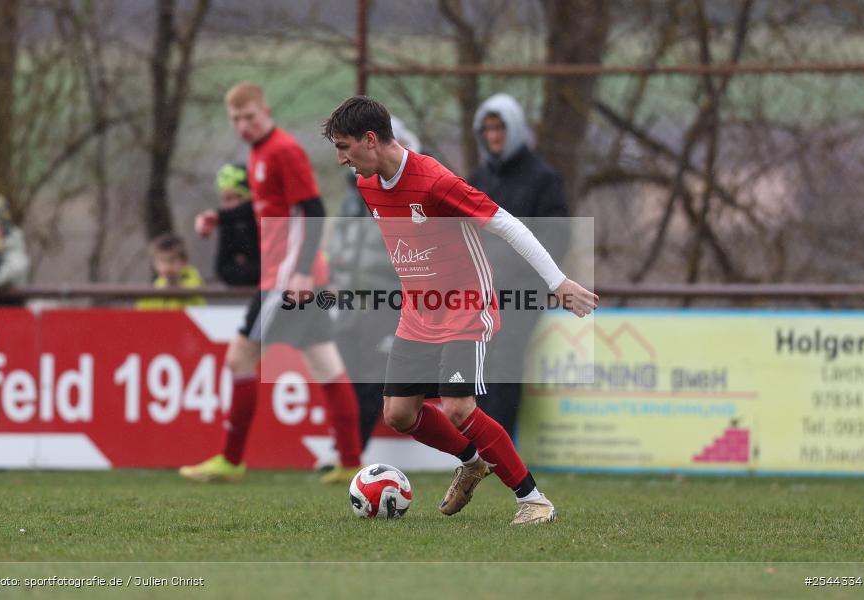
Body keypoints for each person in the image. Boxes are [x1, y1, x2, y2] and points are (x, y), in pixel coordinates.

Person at [323, 96, 597, 525]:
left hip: (467, 304)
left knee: (458, 406)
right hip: (419, 312)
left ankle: (533, 500)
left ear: (370, 140)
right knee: (398, 413)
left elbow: (507, 224)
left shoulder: (434, 179)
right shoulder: (367, 184)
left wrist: (557, 282)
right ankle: (472, 462)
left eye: (344, 147)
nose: (341, 159)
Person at [180, 82, 362, 484]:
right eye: (236, 119)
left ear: (265, 111)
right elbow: (266, 206)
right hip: (291, 275)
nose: (243, 125)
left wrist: (298, 271)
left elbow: (312, 210)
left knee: (240, 358)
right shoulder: (260, 153)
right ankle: (350, 461)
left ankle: (231, 460)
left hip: (285, 279)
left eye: (249, 117)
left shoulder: (283, 150)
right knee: (326, 364)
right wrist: (220, 217)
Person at [469, 93, 570, 439]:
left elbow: (557, 237)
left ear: (514, 129)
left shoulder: (543, 178)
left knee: (504, 363)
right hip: (481, 292)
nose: (494, 135)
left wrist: (515, 271)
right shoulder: (478, 178)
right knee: (478, 363)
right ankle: (477, 448)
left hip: (522, 291)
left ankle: (498, 447)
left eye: (500, 127)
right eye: (488, 128)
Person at [328, 117, 419, 451]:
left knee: (371, 380)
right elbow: (340, 241)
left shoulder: (410, 188)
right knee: (345, 376)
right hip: (350, 301)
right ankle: (345, 450)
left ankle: (350, 452)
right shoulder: (353, 192)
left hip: (386, 301)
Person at [198, 163, 260, 287]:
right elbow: (223, 269)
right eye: (226, 199)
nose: (230, 205)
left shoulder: (263, 219)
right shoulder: (227, 223)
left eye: (237, 197)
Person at [136, 233, 206, 310]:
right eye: (161, 261)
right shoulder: (153, 291)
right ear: (155, 264)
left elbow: (192, 292)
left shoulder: (194, 281)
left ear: (184, 261)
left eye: (171, 261)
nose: (166, 267)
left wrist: (176, 285)